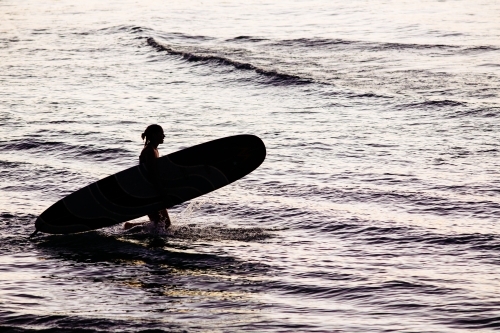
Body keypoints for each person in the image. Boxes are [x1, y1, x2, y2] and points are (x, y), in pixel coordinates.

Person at [123, 124, 171, 230]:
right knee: (160, 225)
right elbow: (152, 174)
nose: (164, 136)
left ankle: (130, 226)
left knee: (165, 224)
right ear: (154, 135)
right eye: (161, 133)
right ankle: (130, 228)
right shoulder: (149, 151)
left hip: (152, 190)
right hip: (148, 192)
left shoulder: (153, 149)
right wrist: (161, 192)